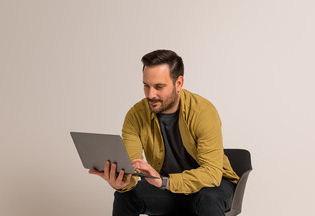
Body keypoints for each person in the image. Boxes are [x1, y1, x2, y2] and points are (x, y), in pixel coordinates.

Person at [89, 50, 240, 216]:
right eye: (146, 85)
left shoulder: (203, 112)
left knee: (209, 196)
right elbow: (132, 170)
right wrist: (121, 182)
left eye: (159, 87)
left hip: (212, 186)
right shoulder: (136, 116)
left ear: (179, 83)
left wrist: (165, 182)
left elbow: (211, 174)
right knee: (125, 196)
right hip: (167, 187)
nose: (150, 94)